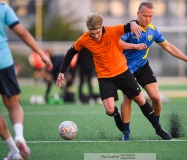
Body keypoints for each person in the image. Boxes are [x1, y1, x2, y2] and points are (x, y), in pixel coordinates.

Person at [56, 13, 172, 141]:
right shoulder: (84, 38)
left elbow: (130, 25)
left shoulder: (112, 31)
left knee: (140, 100)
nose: (95, 36)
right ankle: (120, 121)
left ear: (102, 27)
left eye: (98, 32)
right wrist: (62, 71)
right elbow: (71, 52)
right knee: (109, 110)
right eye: (92, 33)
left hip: (123, 73)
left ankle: (159, 130)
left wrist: (133, 23)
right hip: (105, 78)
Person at [119, 1, 187, 140]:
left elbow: (169, 47)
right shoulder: (129, 29)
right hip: (125, 69)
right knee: (128, 98)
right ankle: (126, 133)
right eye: (144, 15)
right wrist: (133, 46)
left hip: (143, 67)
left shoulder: (153, 31)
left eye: (150, 16)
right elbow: (116, 44)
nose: (147, 19)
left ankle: (157, 126)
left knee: (156, 98)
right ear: (138, 14)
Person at [0, 2, 53, 159]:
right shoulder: (3, 9)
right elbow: (22, 33)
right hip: (4, 62)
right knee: (13, 104)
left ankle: (14, 150)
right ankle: (19, 136)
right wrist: (41, 54)